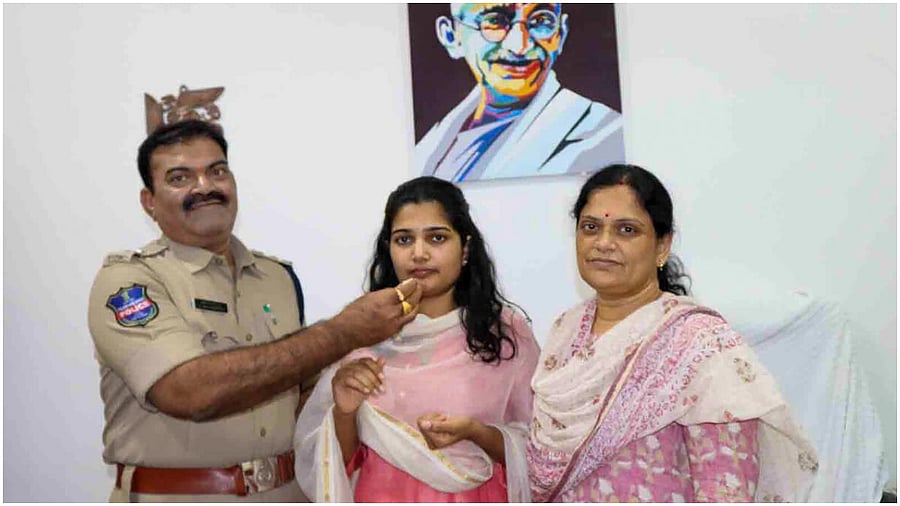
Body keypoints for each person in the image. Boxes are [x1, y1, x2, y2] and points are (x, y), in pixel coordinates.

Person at [87, 119, 422, 502]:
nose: (204, 186)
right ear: (149, 201)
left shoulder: (278, 278)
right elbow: (189, 392)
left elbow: (300, 399)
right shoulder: (130, 283)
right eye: (180, 177)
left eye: (217, 171)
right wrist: (344, 332)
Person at [526, 164, 819, 502]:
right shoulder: (564, 330)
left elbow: (726, 489)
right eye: (591, 227)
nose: (603, 243)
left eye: (626, 230)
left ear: (662, 246)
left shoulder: (700, 343)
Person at [294, 176, 540, 502]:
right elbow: (336, 465)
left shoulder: (506, 336)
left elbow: (542, 448)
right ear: (389, 249)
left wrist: (476, 433)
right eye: (404, 240)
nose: (419, 254)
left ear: (465, 249)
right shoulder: (366, 334)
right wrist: (344, 411)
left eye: (436, 238)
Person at [415, 3, 624, 182]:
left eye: (541, 20)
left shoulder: (604, 133)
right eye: (495, 21)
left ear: (560, 34)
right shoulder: (433, 143)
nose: (520, 46)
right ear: (451, 36)